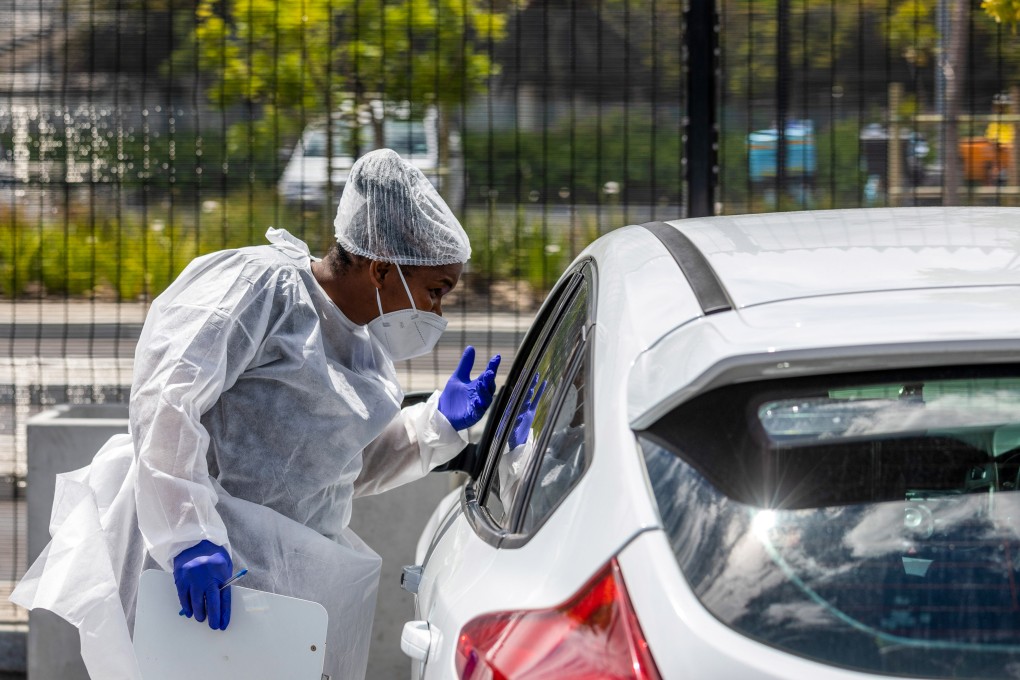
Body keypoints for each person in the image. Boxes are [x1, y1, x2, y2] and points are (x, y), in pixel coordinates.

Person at [10, 148, 501, 680]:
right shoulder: (261, 288)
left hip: (277, 589)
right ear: (381, 267)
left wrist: (435, 425)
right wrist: (188, 534)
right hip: (196, 572)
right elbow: (168, 401)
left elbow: (336, 470)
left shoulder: (365, 349)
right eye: (436, 290)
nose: (437, 312)